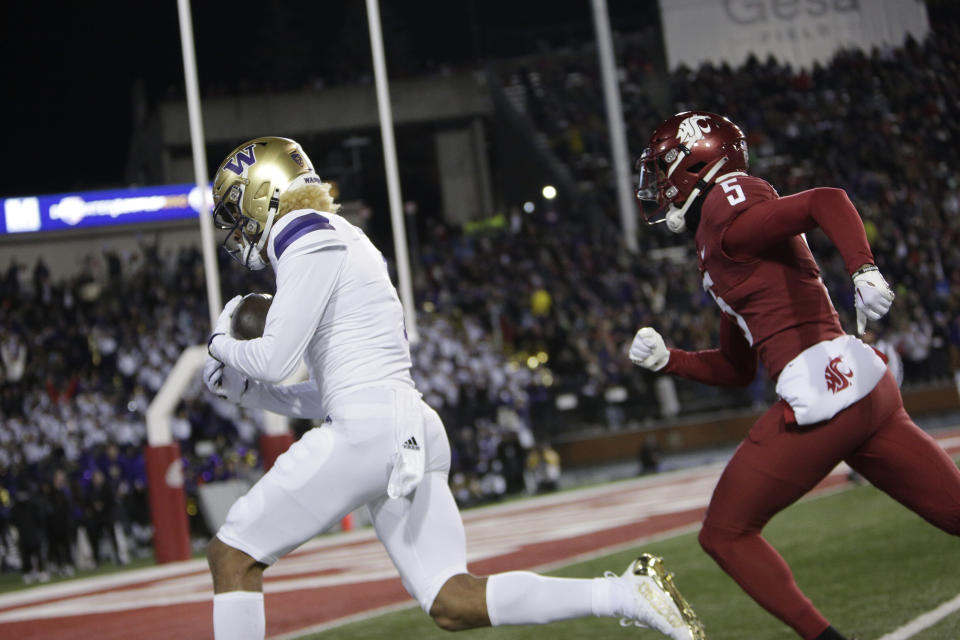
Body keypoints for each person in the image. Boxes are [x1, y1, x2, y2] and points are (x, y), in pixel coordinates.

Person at [202, 136, 704, 640]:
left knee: (233, 553)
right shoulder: (339, 236)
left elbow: (273, 358)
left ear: (261, 193)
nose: (235, 229)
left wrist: (221, 342)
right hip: (404, 425)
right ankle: (624, 593)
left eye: (234, 210)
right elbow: (328, 392)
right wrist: (249, 394)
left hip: (370, 431)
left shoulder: (302, 232)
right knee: (452, 600)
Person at [629, 111, 960, 640]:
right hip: (866, 392)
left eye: (665, 169)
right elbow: (738, 367)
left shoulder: (726, 210)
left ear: (695, 162)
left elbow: (826, 199)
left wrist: (863, 268)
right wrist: (671, 360)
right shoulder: (720, 230)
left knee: (724, 533)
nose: (659, 187)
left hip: (825, 395)